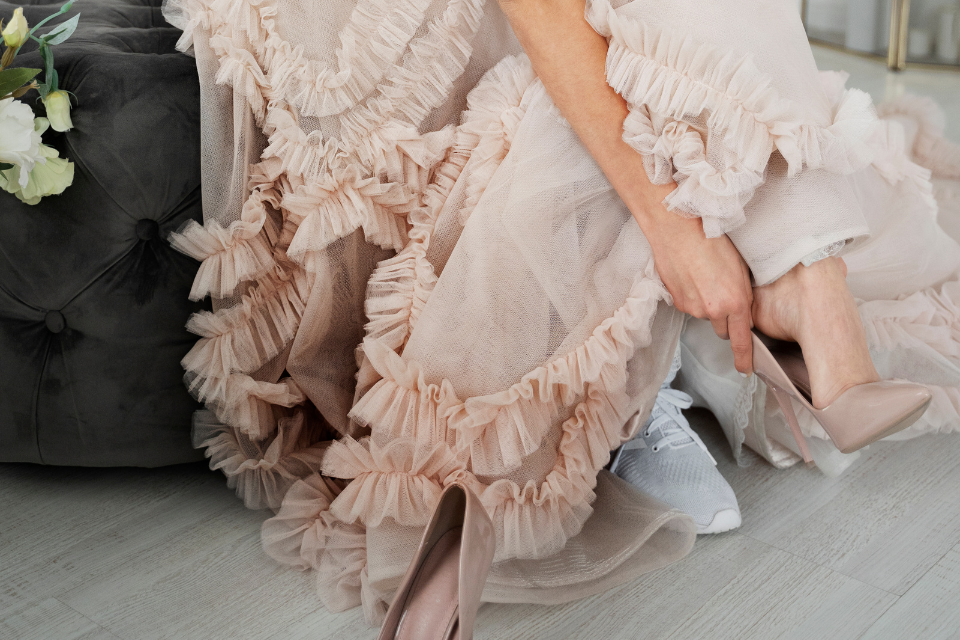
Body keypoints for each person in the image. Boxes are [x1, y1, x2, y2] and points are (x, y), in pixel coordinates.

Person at [160, 0, 960, 629]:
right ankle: (777, 296)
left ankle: (738, 305)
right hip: (359, 42)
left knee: (660, 30)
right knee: (626, 43)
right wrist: (674, 230)